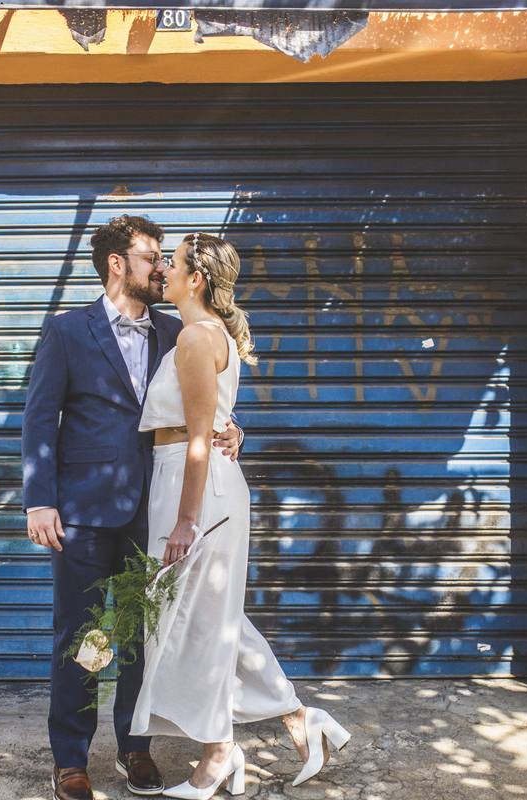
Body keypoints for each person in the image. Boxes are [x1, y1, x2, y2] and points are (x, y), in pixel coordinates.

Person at [21, 216, 242, 800]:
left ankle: (135, 747)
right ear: (117, 263)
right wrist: (39, 500)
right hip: (84, 512)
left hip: (158, 509)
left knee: (147, 635)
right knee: (84, 635)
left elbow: (202, 403)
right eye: (151, 257)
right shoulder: (67, 331)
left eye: (167, 257)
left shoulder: (178, 329)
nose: (163, 267)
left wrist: (232, 428)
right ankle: (70, 759)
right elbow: (39, 419)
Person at [131, 233, 351, 799]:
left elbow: (198, 438)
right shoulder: (209, 334)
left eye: (174, 263)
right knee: (211, 616)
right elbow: (211, 421)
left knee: (197, 619)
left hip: (193, 486)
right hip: (194, 480)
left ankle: (219, 753)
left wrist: (186, 520)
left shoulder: (196, 337)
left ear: (195, 278)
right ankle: (296, 718)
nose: (164, 270)